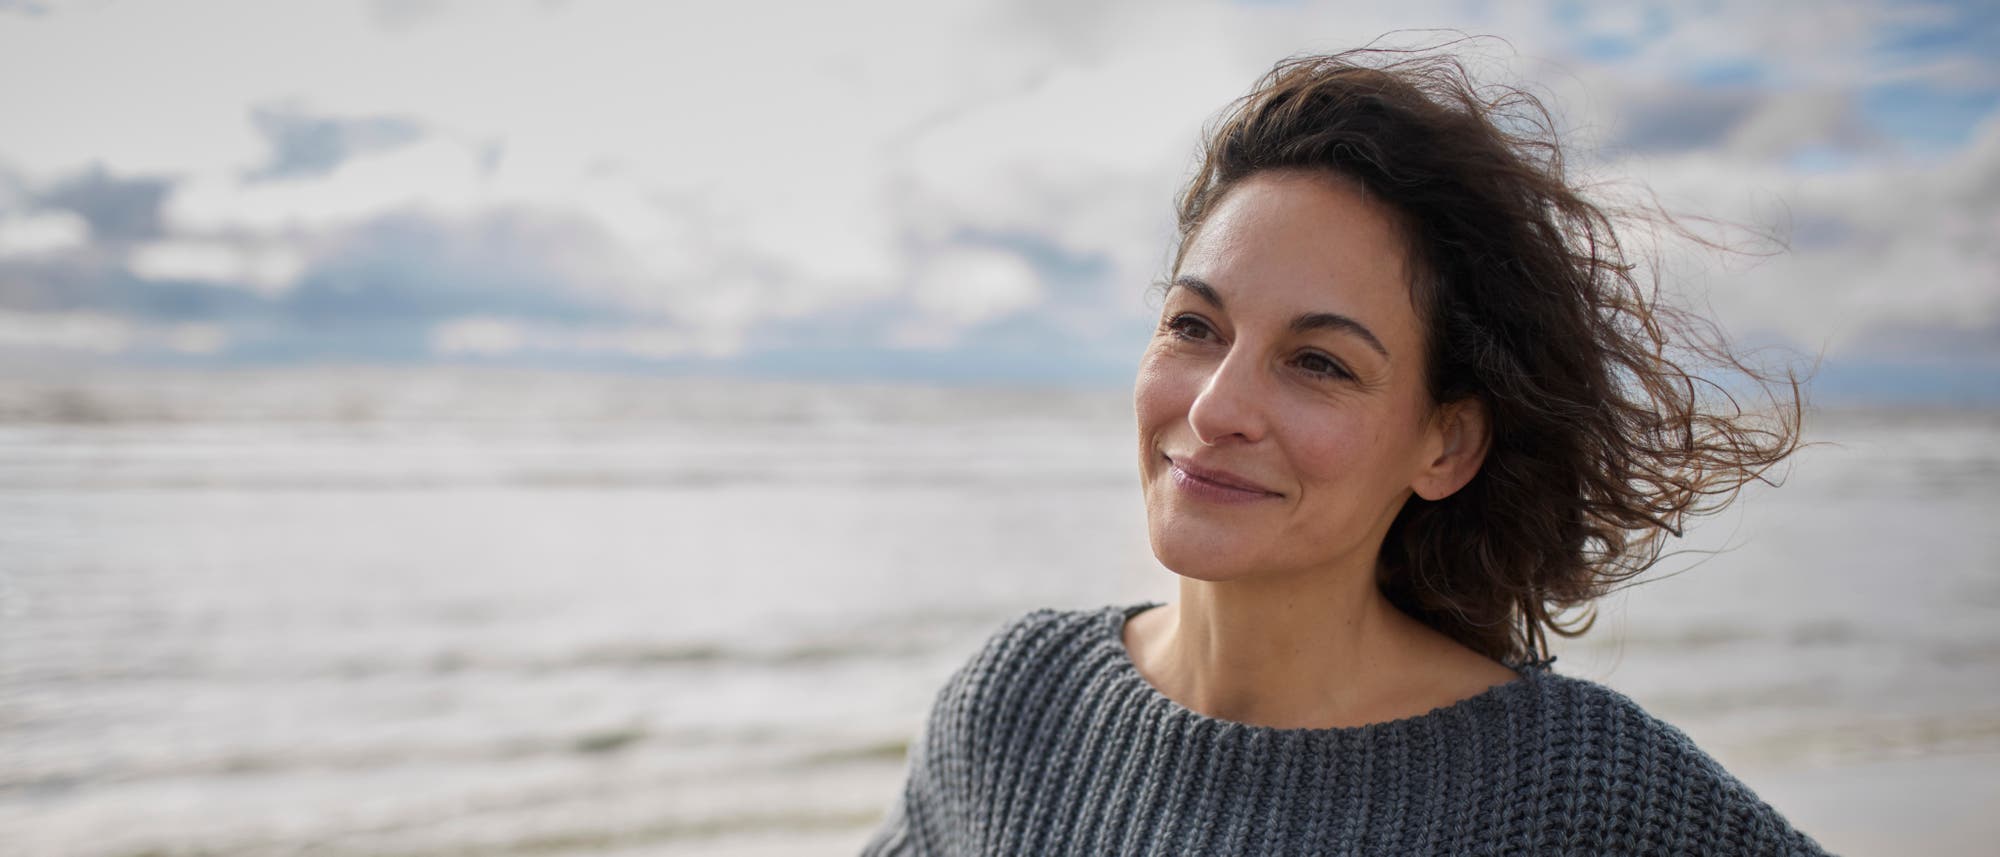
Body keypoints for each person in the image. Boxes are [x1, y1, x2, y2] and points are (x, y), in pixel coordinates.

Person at [862, 45, 1828, 856]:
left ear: (1446, 445)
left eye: (1317, 361)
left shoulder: (1574, 790)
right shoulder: (1017, 708)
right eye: (1194, 326)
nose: (1215, 408)